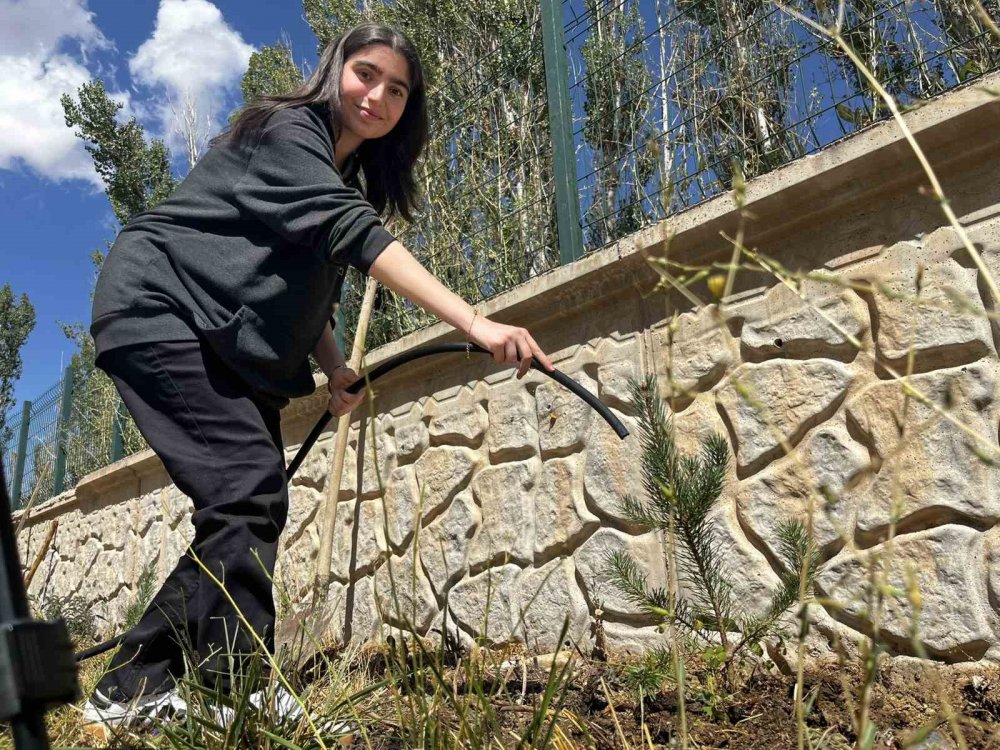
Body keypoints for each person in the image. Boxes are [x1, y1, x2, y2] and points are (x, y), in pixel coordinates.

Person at [82, 22, 553, 730]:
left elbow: (307, 283)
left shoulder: (337, 173)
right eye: (367, 74)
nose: (379, 95)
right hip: (163, 309)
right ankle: (187, 689)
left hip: (230, 341)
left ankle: (176, 686)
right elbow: (354, 237)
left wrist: (334, 367)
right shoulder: (285, 130)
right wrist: (476, 324)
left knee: (250, 504)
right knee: (247, 491)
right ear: (335, 70)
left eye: (397, 88)